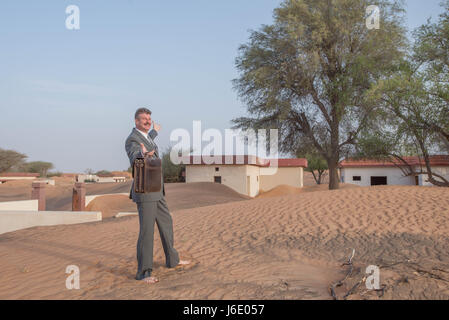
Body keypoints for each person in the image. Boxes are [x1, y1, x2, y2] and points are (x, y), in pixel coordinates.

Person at [125, 107, 190, 284]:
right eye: (143, 119)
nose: (147, 121)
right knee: (147, 232)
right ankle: (144, 273)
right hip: (145, 190)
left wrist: (155, 131)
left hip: (157, 189)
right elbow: (134, 156)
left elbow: (148, 139)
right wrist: (142, 154)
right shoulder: (132, 139)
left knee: (166, 222)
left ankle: (173, 260)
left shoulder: (146, 136)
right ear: (136, 121)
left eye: (149, 118)